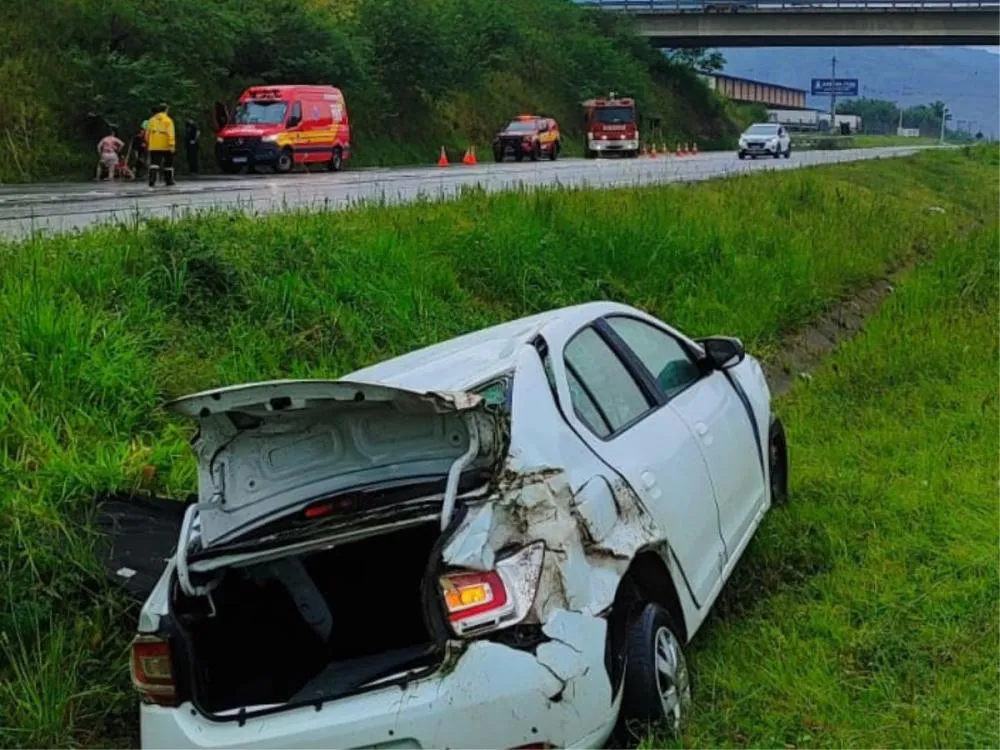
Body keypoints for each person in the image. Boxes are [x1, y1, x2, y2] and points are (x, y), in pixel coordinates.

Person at [146, 103, 176, 187]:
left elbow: (147, 133)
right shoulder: (168, 120)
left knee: (154, 163)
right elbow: (171, 133)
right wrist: (172, 144)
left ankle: (152, 180)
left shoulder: (151, 120)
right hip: (165, 145)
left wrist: (148, 142)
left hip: (154, 145)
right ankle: (168, 180)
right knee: (168, 163)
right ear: (166, 109)